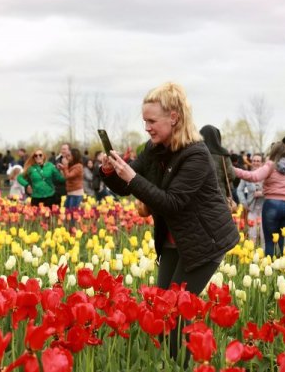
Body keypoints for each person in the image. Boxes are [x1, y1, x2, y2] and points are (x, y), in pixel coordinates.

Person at [100, 82, 239, 363]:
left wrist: (131, 177)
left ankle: (189, 363)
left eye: (152, 121)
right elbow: (128, 185)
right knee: (160, 312)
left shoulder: (196, 155)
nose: (147, 128)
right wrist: (110, 170)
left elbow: (172, 203)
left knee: (173, 314)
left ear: (173, 117)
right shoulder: (156, 148)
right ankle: (178, 363)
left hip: (203, 245)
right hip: (173, 241)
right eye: (145, 121)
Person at [233, 142, 285, 258]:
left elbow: (253, 177)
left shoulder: (270, 165)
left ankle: (269, 269)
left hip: (272, 205)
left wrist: (234, 170)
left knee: (269, 241)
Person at [199, 125, 235, 205]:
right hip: (219, 197)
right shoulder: (223, 155)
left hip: (199, 198)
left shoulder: (196, 154)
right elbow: (231, 175)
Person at [237, 153, 264, 243]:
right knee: (252, 236)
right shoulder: (247, 175)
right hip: (251, 209)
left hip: (264, 209)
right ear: (251, 162)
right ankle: (251, 255)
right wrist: (244, 203)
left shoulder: (266, 176)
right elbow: (239, 190)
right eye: (254, 161)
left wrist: (261, 193)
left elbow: (273, 189)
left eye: (258, 161)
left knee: (264, 236)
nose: (256, 163)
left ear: (262, 163)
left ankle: (264, 255)